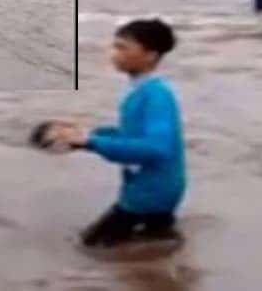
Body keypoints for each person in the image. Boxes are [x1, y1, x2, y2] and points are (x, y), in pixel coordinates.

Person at [51, 18, 187, 247]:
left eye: (123, 47)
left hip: (150, 191)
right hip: (159, 187)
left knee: (90, 245)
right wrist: (89, 136)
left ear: (150, 55)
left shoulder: (156, 95)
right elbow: (132, 136)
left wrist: (91, 142)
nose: (114, 54)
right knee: (156, 242)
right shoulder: (140, 90)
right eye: (115, 47)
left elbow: (155, 148)